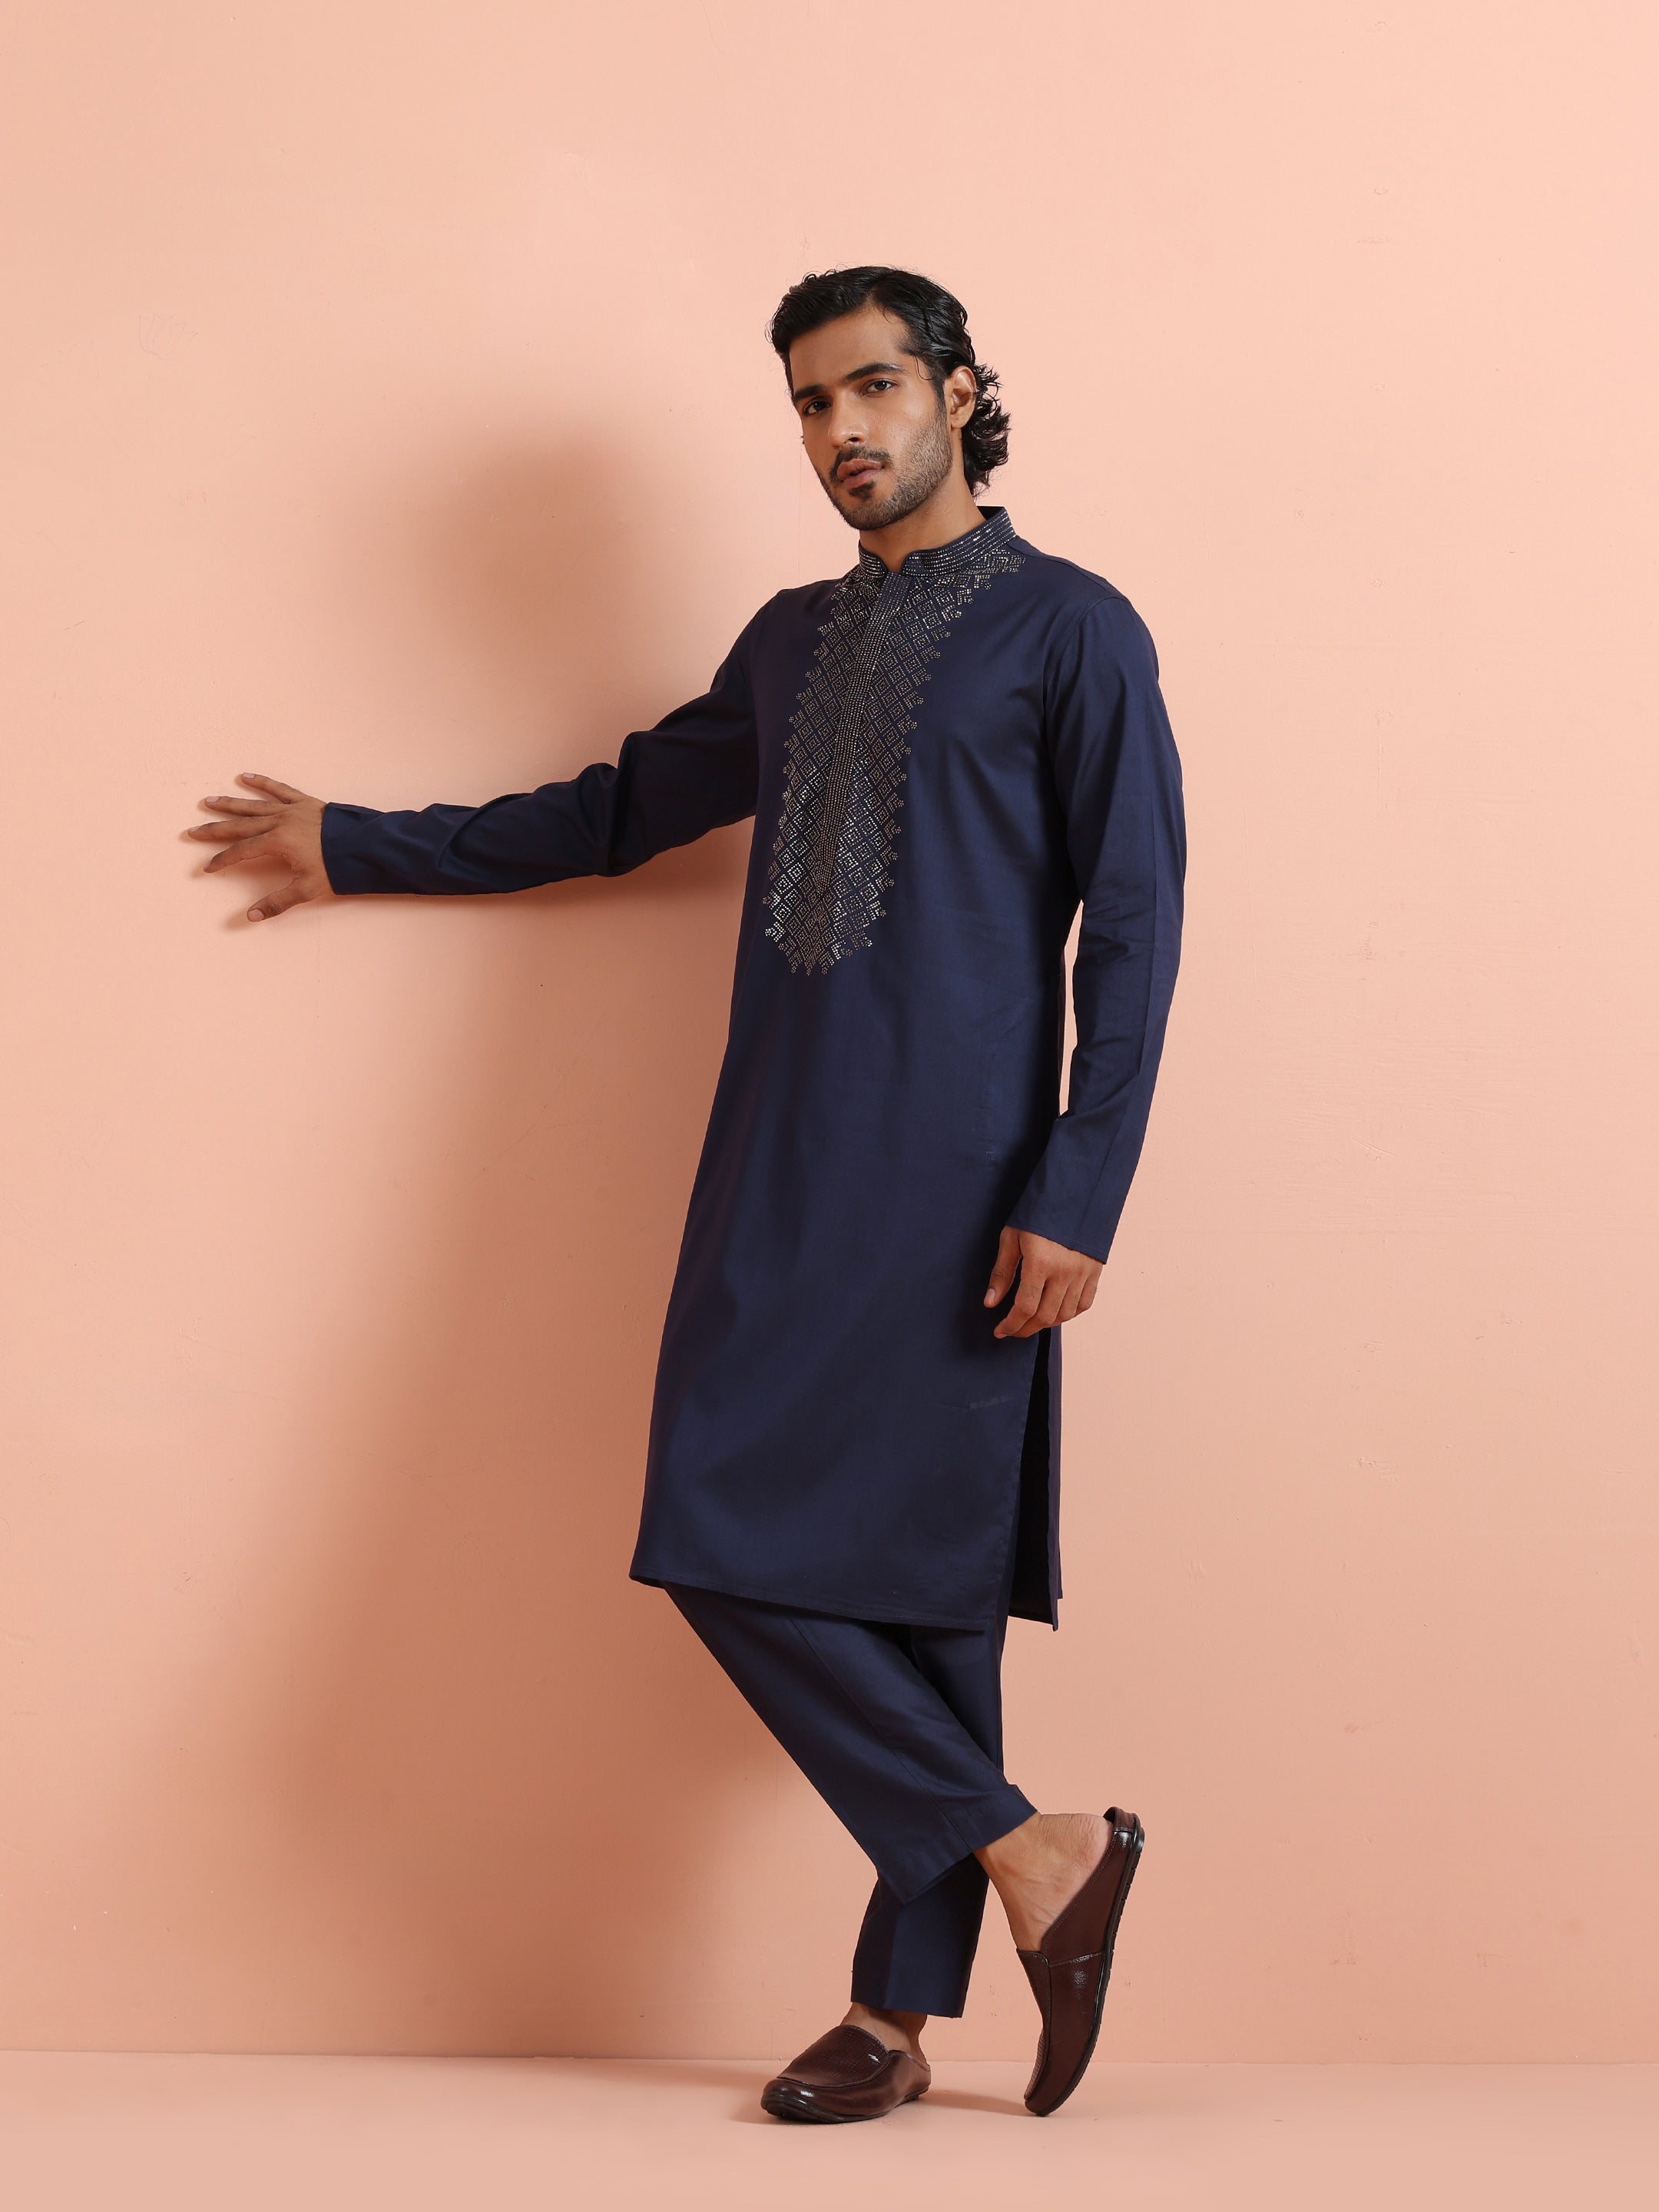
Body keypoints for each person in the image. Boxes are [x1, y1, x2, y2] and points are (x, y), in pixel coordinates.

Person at [186, 266, 1185, 2122]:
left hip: (971, 1180)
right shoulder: (791, 644)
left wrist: (1083, 1184)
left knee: (926, 1586)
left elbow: (1133, 924)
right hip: (777, 1157)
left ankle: (892, 2022)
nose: (843, 431)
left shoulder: (1074, 630)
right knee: (715, 1529)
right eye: (811, 403)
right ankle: (1034, 1854)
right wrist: (361, 844)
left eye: (875, 388)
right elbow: (620, 808)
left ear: (962, 393)